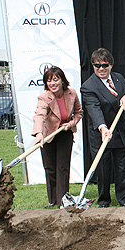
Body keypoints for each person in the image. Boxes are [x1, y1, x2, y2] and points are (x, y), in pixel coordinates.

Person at [80, 48, 125, 208]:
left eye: (104, 65)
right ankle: (104, 201)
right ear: (93, 66)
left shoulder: (118, 79)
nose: (101, 69)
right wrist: (103, 128)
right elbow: (93, 109)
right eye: (97, 66)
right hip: (101, 134)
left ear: (111, 64)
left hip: (120, 133)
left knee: (123, 168)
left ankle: (124, 201)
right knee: (103, 170)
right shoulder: (88, 86)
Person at [32, 66, 83, 209]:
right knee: (50, 167)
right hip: (48, 134)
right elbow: (39, 115)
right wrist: (39, 133)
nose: (52, 83)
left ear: (62, 81)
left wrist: (71, 123)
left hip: (65, 133)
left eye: (55, 79)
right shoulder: (44, 97)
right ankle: (52, 199)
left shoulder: (71, 94)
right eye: (49, 81)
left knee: (62, 167)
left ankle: (62, 200)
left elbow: (79, 112)